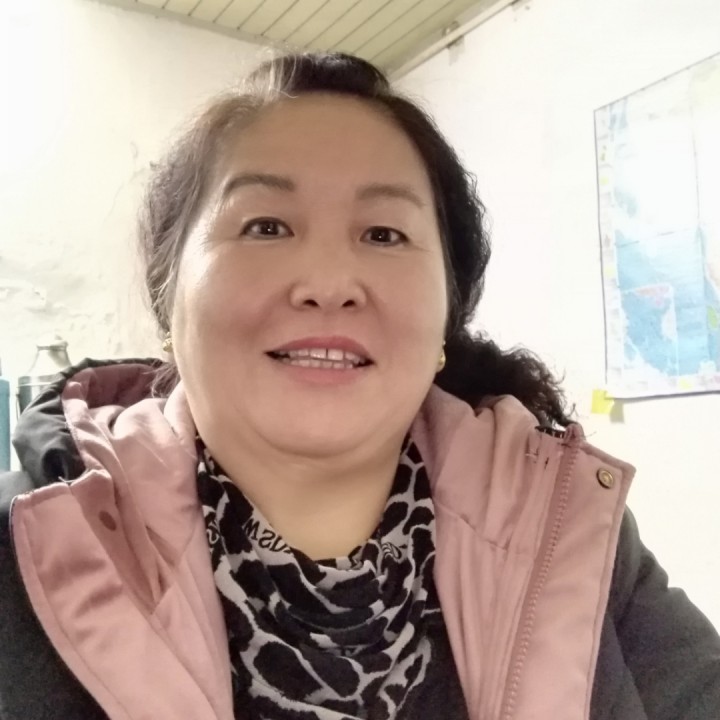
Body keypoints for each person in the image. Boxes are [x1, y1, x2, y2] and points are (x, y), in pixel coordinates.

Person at [0, 52, 718, 720]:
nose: (329, 284)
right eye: (266, 226)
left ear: (447, 315)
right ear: (168, 297)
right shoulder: (34, 546)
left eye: (383, 234)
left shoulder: (564, 531)